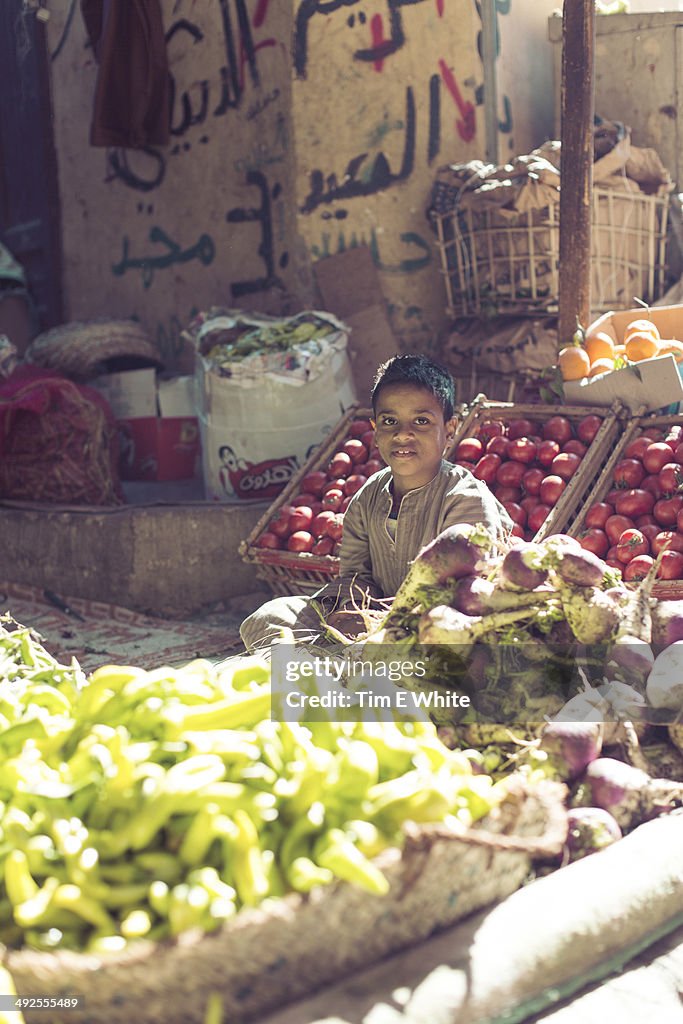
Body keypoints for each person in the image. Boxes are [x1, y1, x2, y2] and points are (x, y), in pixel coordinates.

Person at [240, 354, 512, 652]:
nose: (403, 433)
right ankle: (339, 666)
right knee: (268, 618)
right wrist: (350, 610)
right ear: (375, 430)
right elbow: (354, 575)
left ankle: (337, 668)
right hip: (370, 622)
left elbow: (466, 597)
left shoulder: (466, 500)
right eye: (389, 421)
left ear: (449, 430)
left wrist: (387, 626)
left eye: (421, 421)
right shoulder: (368, 496)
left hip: (435, 631)